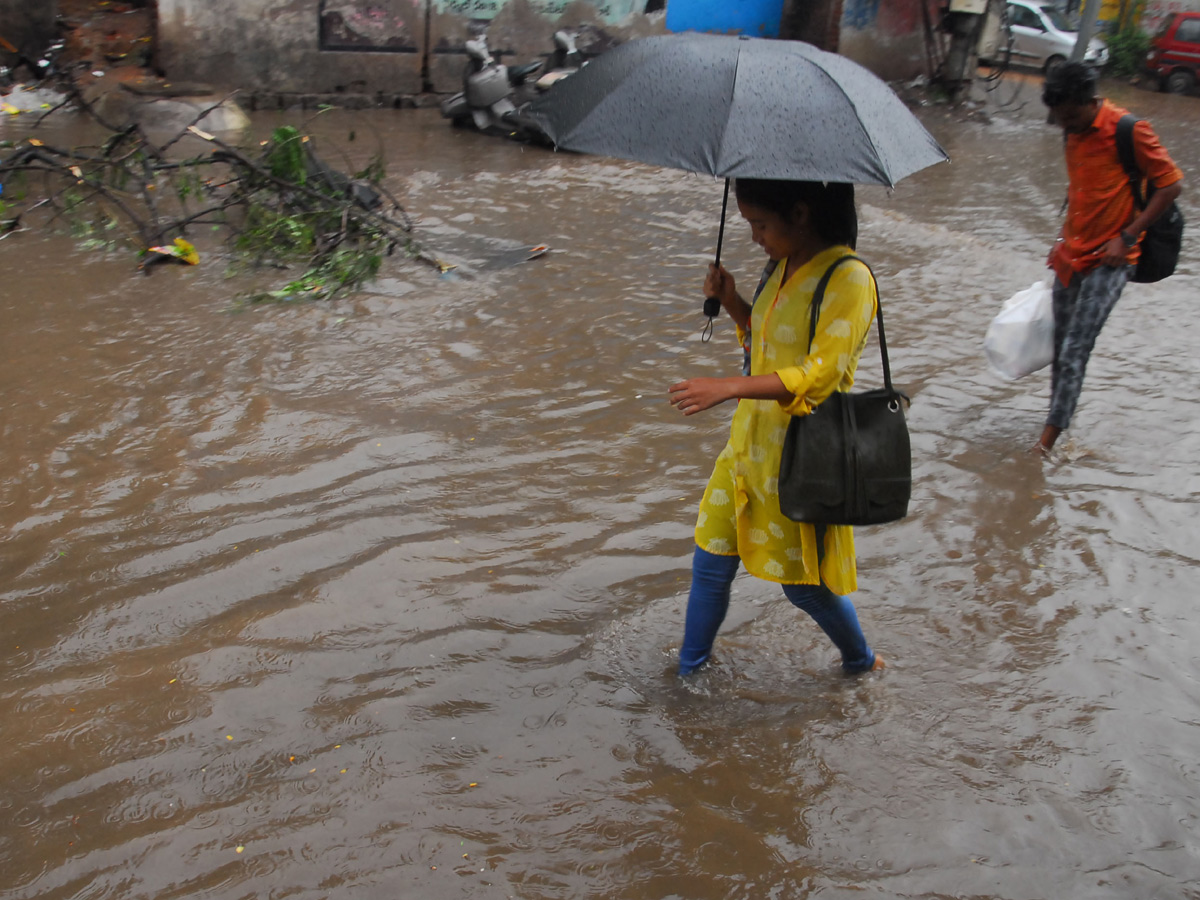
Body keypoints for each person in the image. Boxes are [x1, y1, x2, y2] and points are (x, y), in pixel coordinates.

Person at [667, 178, 883, 677]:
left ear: (801, 213)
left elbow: (819, 376)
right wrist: (735, 300)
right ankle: (687, 674)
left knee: (804, 587)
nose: (754, 237)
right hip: (747, 448)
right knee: (710, 561)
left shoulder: (850, 279)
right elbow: (763, 347)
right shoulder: (781, 266)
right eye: (747, 224)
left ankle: (860, 660)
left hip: (800, 457)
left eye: (760, 224)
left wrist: (726, 388)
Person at [1036, 62, 1183, 455]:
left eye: (1070, 116)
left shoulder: (1128, 129)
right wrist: (1061, 240)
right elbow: (1082, 188)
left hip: (1115, 257)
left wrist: (1128, 236)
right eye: (1059, 118)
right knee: (1060, 343)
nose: (1064, 124)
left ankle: (1046, 443)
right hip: (1072, 254)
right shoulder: (1071, 130)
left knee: (1075, 347)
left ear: (1089, 102)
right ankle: (1058, 420)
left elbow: (1171, 186)